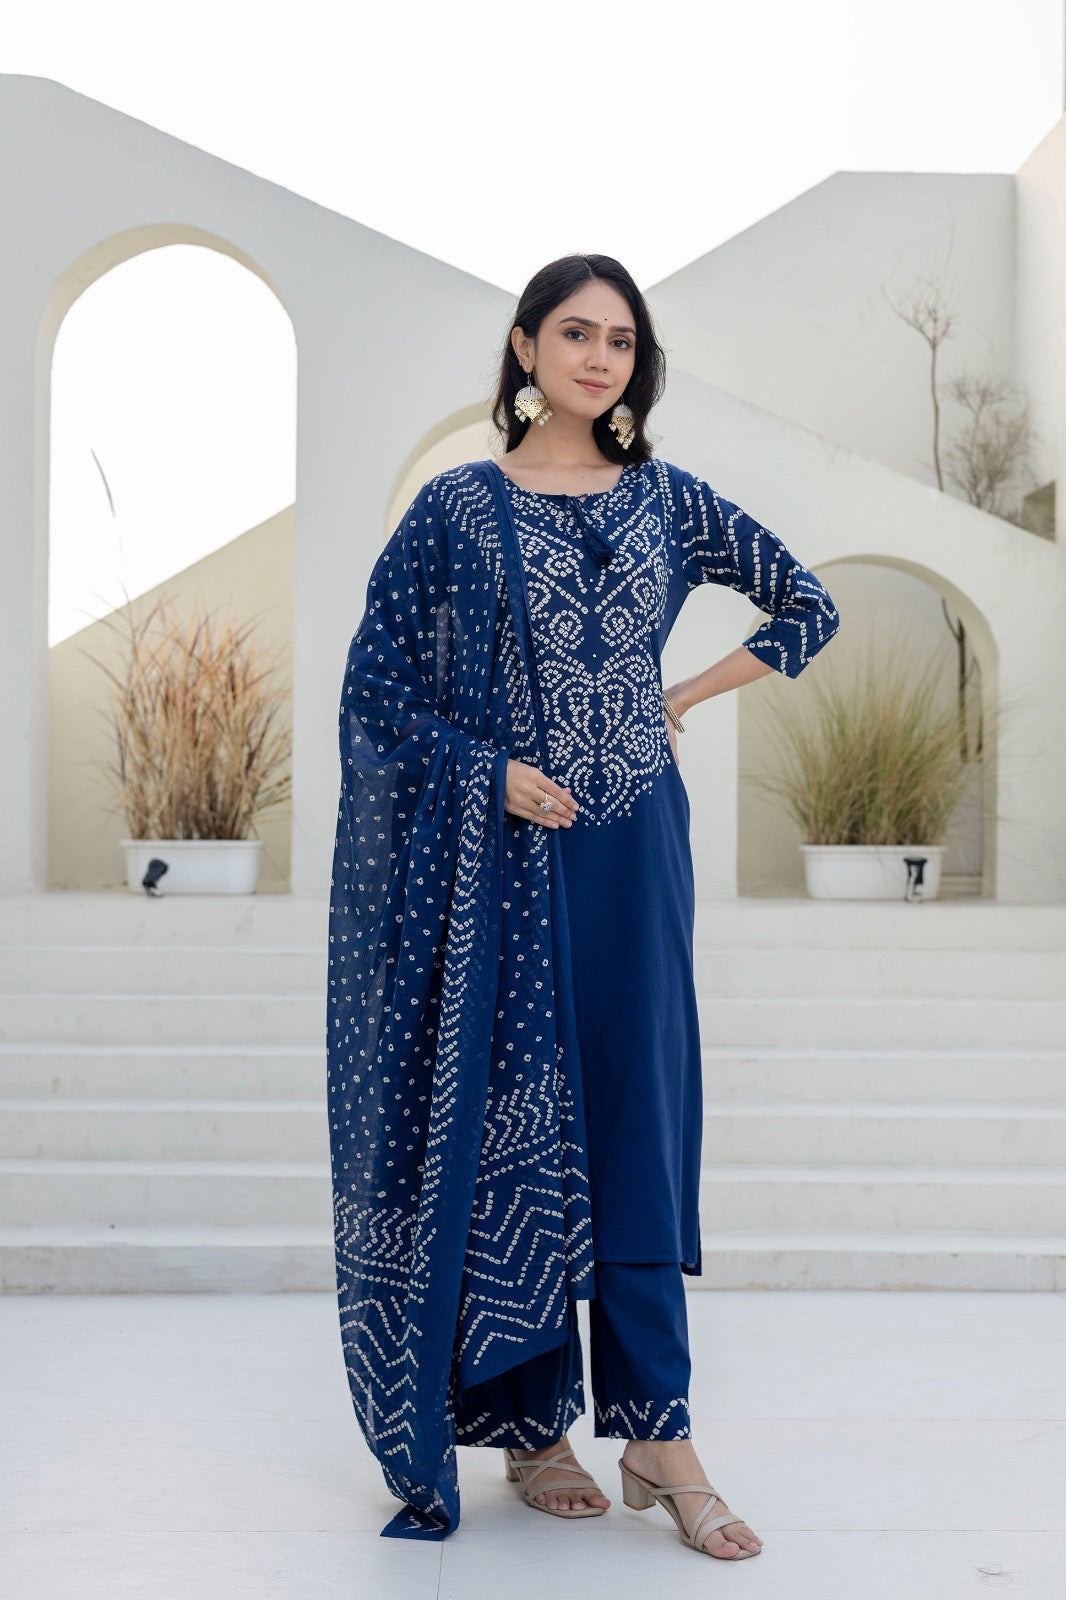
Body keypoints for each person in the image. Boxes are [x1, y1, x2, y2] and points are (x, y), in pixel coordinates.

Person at [326, 253, 840, 1558]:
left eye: (620, 340)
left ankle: (661, 1435)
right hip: (503, 859)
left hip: (634, 847)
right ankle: (530, 1424)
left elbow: (808, 603)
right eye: (575, 333)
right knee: (516, 1112)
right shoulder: (456, 509)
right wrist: (486, 772)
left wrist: (681, 695)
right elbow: (378, 693)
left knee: (635, 1112)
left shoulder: (669, 499)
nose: (600, 358)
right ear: (524, 347)